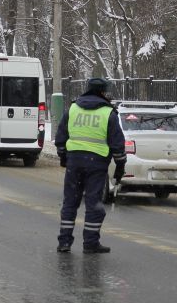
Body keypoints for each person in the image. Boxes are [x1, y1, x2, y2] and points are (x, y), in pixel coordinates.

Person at [54, 78, 127, 254]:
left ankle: (64, 242)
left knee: (70, 202)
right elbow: (117, 142)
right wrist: (120, 165)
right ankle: (90, 243)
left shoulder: (73, 108)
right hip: (97, 163)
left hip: (74, 162)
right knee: (93, 204)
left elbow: (61, 135)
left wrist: (63, 156)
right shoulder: (108, 113)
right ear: (103, 92)